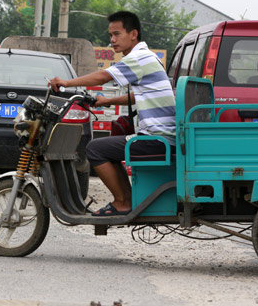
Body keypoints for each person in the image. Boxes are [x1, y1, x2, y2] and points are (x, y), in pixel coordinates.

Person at [49, 11, 176, 216]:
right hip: (163, 135)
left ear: (133, 34)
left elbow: (102, 76)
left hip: (157, 138)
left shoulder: (139, 58)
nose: (112, 40)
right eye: (110, 35)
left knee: (95, 149)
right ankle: (127, 200)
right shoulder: (149, 57)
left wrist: (66, 83)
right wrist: (107, 101)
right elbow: (139, 96)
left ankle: (122, 202)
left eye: (117, 34)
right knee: (109, 147)